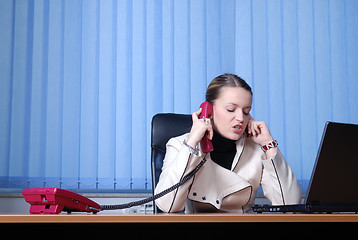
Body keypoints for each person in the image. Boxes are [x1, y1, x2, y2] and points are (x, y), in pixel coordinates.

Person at [154, 73, 302, 213]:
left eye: (246, 111)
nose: (240, 118)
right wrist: (192, 143)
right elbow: (168, 205)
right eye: (231, 109)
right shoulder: (181, 145)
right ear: (209, 111)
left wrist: (268, 144)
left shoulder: (256, 151)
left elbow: (289, 206)